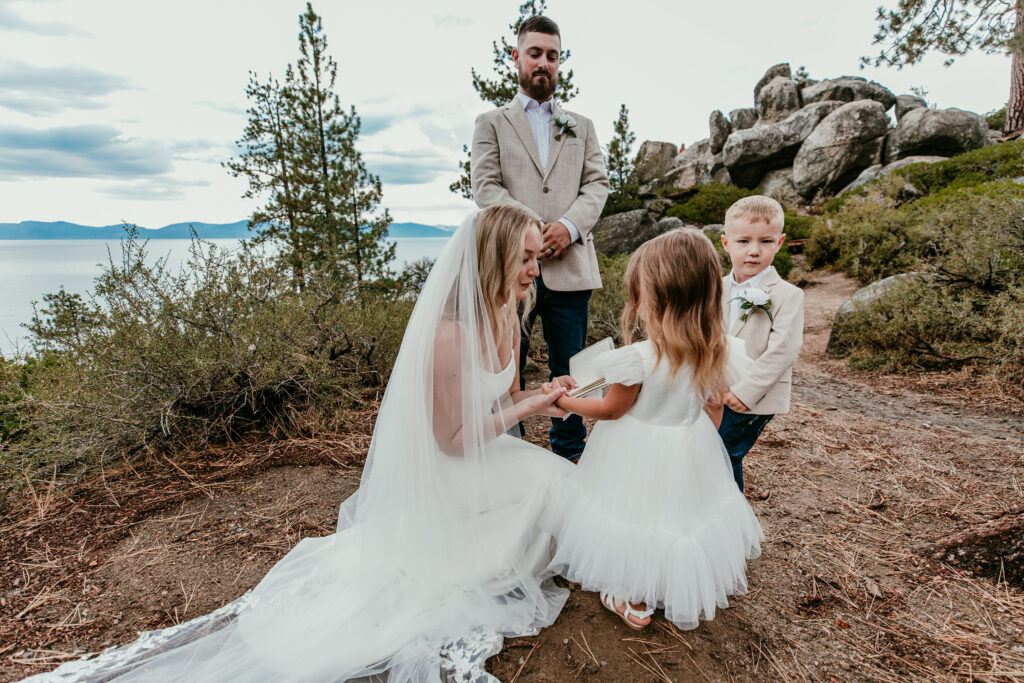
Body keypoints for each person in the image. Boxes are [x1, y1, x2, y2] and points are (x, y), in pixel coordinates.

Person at [29, 206, 577, 683]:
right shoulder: (448, 333)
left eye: (536, 257)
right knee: (549, 484)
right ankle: (471, 562)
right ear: (493, 258)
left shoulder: (509, 313)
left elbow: (502, 404)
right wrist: (528, 408)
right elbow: (453, 440)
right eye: (526, 257)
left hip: (480, 451)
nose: (536, 267)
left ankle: (497, 553)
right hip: (444, 470)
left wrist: (545, 397)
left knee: (554, 482)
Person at [542, 229, 763, 631]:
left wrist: (564, 401)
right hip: (689, 442)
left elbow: (610, 410)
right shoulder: (716, 348)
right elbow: (713, 406)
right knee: (676, 513)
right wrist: (699, 446)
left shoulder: (636, 358)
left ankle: (631, 594)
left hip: (633, 448)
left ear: (657, 298)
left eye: (638, 292)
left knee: (630, 510)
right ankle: (665, 581)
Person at [471, 14, 609, 462]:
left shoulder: (582, 126)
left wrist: (567, 228)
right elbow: (485, 187)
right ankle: (510, 461)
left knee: (571, 372)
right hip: (512, 270)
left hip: (571, 270)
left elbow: (597, 185)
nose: (543, 63)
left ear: (559, 61)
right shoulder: (491, 122)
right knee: (504, 372)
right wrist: (534, 229)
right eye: (535, 54)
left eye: (552, 56)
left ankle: (568, 461)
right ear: (516, 57)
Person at [718, 196, 804, 492]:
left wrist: (746, 392)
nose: (754, 251)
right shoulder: (716, 287)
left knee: (721, 455)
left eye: (765, 242)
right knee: (717, 457)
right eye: (743, 241)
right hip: (714, 391)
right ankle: (724, 521)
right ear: (726, 243)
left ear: (779, 242)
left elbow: (783, 350)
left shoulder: (787, 295)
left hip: (753, 397)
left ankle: (728, 524)